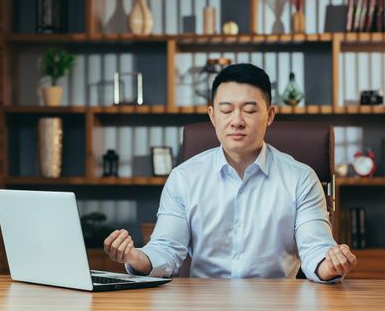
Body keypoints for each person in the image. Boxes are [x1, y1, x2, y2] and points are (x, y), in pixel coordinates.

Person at [104, 63, 357, 282]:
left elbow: (316, 248)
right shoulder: (184, 178)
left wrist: (330, 266)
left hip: (278, 308)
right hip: (204, 308)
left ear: (269, 115)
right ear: (212, 116)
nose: (237, 120)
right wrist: (135, 257)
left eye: (249, 110)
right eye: (226, 110)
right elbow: (167, 249)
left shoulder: (301, 178)